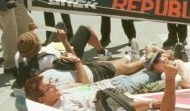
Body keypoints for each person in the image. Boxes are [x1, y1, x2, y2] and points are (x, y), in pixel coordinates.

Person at [14, 26, 142, 87]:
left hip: (56, 53)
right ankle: (141, 60)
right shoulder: (49, 60)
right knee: (85, 29)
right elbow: (74, 61)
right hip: (83, 71)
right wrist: (64, 41)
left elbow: (28, 47)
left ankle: (131, 56)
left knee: (58, 25)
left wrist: (29, 32)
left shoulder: (20, 57)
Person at [24, 68, 161, 111]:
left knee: (149, 70)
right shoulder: (65, 109)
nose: (54, 85)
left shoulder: (60, 95)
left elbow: (84, 87)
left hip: (111, 82)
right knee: (154, 73)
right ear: (42, 99)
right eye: (49, 87)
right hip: (119, 92)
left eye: (52, 82)